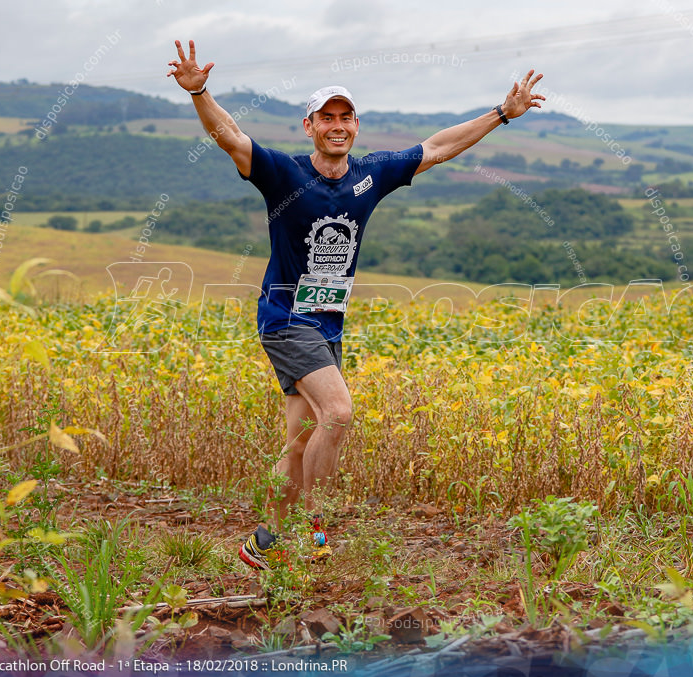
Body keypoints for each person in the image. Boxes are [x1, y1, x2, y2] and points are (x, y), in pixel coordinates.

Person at [167, 39, 545, 570]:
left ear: (356, 126)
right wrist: (200, 92)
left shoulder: (372, 176)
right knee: (339, 413)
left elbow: (438, 147)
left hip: (327, 328)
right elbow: (230, 136)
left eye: (346, 117)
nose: (337, 125)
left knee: (299, 444)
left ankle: (261, 546)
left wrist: (503, 113)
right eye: (327, 117)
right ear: (310, 126)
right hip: (284, 318)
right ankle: (320, 530)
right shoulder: (284, 174)